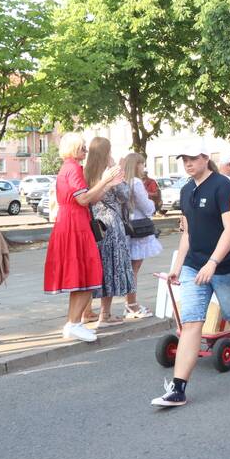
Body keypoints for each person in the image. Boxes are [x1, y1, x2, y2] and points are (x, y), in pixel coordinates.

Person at [152, 144, 230, 407]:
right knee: (191, 323)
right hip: (194, 265)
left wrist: (213, 262)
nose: (188, 163)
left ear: (206, 158)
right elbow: (188, 232)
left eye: (193, 158)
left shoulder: (223, 187)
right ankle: (178, 388)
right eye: (184, 159)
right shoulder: (186, 190)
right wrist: (179, 263)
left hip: (225, 265)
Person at [43, 133, 123, 343]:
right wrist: (105, 179)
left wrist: (106, 184)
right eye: (82, 148)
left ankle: (74, 322)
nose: (86, 151)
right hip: (75, 224)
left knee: (81, 275)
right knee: (86, 273)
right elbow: (84, 199)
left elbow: (89, 199)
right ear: (73, 149)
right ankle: (74, 324)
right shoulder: (74, 169)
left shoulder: (68, 167)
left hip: (72, 221)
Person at [84, 138, 135, 327]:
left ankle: (86, 312)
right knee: (111, 268)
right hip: (111, 226)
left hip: (93, 225)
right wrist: (116, 171)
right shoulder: (109, 172)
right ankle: (105, 314)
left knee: (94, 269)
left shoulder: (85, 173)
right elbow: (124, 195)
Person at [122, 153, 161, 318]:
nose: (143, 168)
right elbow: (147, 207)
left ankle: (130, 303)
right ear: (136, 165)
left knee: (131, 268)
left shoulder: (124, 182)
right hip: (139, 228)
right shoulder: (136, 183)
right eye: (142, 164)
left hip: (128, 228)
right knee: (134, 269)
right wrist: (153, 203)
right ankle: (131, 304)